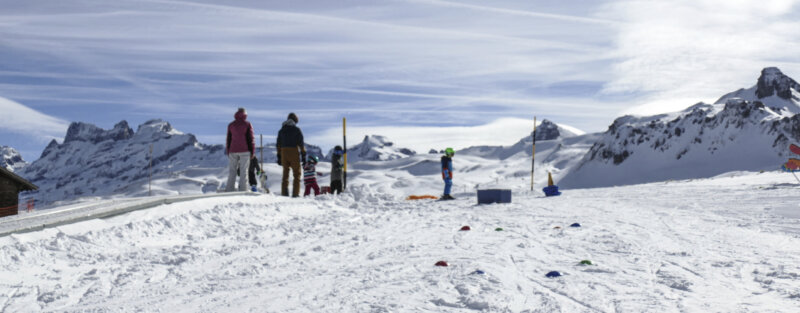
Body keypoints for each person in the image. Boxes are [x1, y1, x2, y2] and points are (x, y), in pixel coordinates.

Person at [276, 113, 306, 197]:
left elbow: (278, 144)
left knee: (285, 173)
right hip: (293, 151)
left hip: (284, 152)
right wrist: (303, 155)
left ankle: (284, 193)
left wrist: (279, 156)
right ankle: (295, 194)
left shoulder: (281, 131)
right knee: (297, 174)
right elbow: (301, 144)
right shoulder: (297, 130)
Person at [226, 108, 255, 192]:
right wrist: (252, 151)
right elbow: (251, 139)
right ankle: (243, 190)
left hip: (232, 150)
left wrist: (228, 151)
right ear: (245, 114)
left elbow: (228, 139)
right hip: (244, 150)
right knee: (244, 171)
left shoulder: (231, 125)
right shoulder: (247, 124)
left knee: (232, 171)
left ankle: (229, 189)